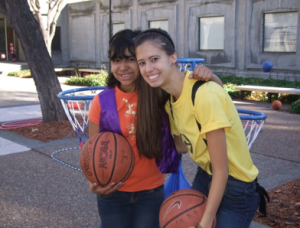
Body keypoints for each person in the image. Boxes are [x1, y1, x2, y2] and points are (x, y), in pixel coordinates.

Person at [87, 29, 224, 228]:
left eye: (130, 59)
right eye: (116, 60)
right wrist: (94, 183)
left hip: (150, 193)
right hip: (113, 193)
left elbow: (205, 91)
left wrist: (211, 77)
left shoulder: (159, 93)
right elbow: (94, 153)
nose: (123, 67)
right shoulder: (101, 102)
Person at [135, 28, 269, 228]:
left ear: (172, 58)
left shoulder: (204, 95)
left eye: (154, 59)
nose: (148, 68)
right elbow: (183, 145)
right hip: (206, 175)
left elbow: (222, 170)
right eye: (142, 63)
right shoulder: (170, 101)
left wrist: (204, 223)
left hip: (236, 186)